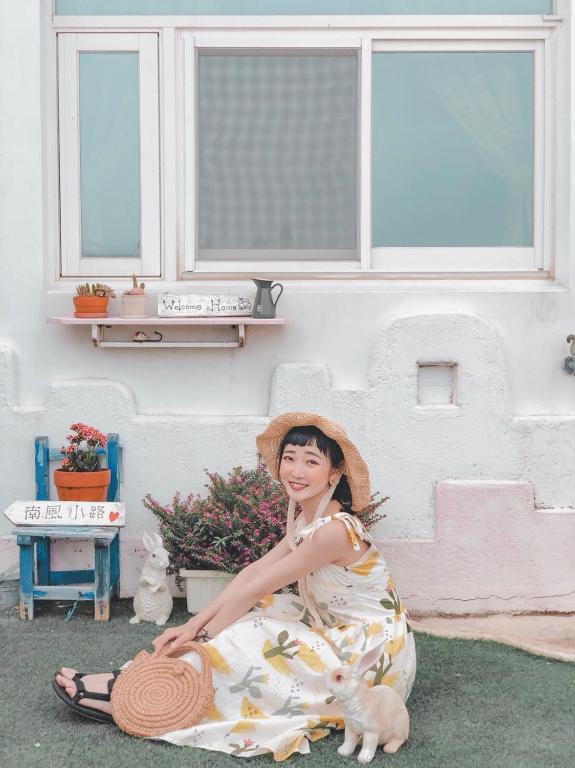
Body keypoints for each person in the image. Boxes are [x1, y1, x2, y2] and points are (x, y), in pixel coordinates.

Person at [53, 412, 416, 760]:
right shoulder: (310, 518)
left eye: (310, 461)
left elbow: (256, 587)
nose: (296, 471)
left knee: (253, 632)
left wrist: (202, 636)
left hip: (370, 658)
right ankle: (129, 681)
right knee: (257, 617)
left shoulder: (333, 531)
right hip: (336, 629)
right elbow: (251, 574)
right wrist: (191, 626)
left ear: (334, 471)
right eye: (289, 458)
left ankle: (133, 691)